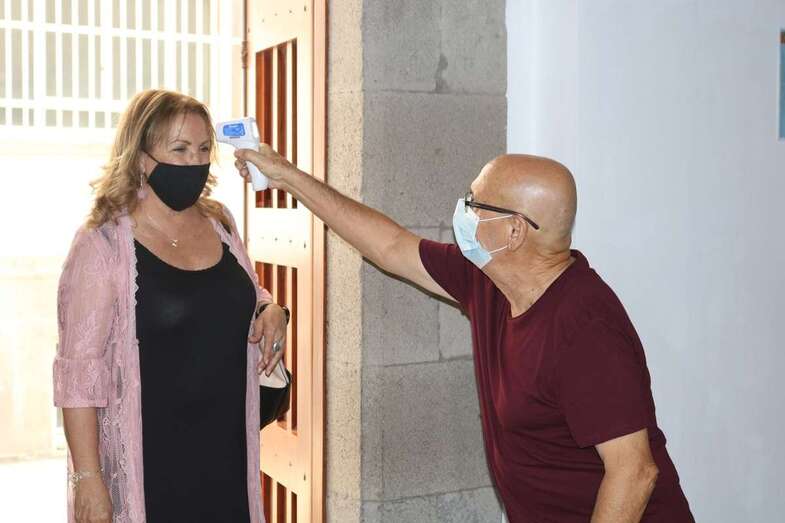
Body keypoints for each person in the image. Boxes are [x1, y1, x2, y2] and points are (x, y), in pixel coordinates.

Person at [234, 149, 695, 522]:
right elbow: (391, 246)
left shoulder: (584, 328)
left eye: (475, 204)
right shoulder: (490, 279)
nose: (463, 212)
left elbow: (634, 472)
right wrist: (287, 177)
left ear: (514, 231)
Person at [53, 89, 288, 523]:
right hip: (152, 470)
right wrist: (88, 478)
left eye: (204, 149)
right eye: (179, 149)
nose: (195, 162)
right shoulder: (102, 244)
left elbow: (248, 291)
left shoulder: (220, 223)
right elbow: (78, 375)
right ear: (141, 158)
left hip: (226, 460)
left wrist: (270, 309)